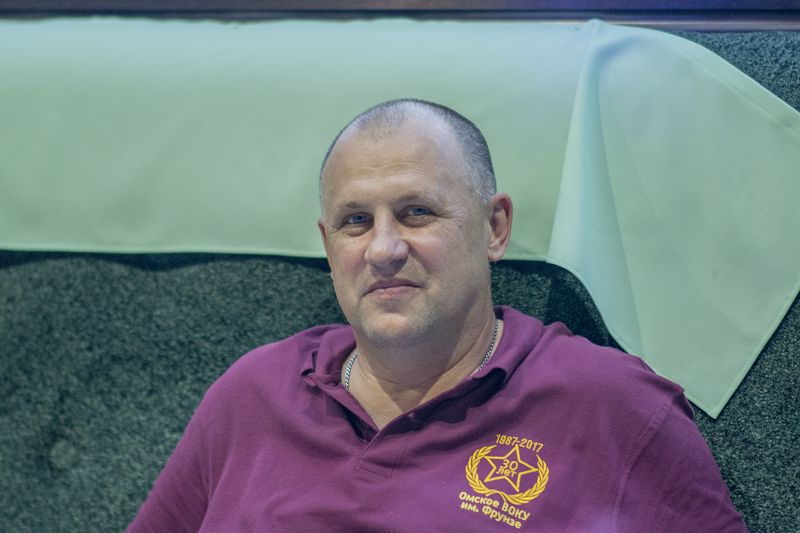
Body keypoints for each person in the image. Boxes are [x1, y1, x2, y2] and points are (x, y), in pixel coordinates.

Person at [128, 99, 746, 532]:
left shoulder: (616, 407)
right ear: (328, 246)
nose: (383, 249)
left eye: (417, 212)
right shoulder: (252, 393)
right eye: (355, 221)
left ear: (494, 228)